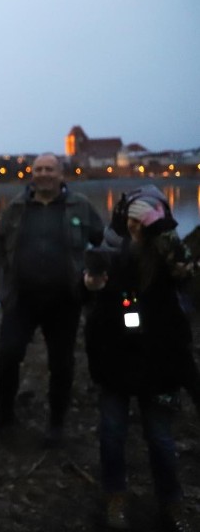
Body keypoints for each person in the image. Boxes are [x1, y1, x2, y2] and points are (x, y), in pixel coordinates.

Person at [83, 186, 197, 532]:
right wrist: (90, 285)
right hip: (115, 360)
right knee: (112, 434)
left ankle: (172, 502)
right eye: (130, 221)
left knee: (161, 438)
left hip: (159, 362)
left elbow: (190, 295)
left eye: (142, 223)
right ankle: (115, 497)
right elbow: (91, 300)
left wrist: (183, 269)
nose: (134, 228)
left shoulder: (171, 255)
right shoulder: (109, 251)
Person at [0, 153, 104, 445]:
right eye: (39, 169)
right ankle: (3, 413)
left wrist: (93, 278)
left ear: (61, 174)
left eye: (50, 169)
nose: (44, 174)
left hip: (65, 299)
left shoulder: (80, 206)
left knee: (61, 363)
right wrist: (3, 284)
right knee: (8, 355)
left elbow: (103, 242)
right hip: (21, 299)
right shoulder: (17, 207)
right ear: (31, 174)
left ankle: (57, 423)